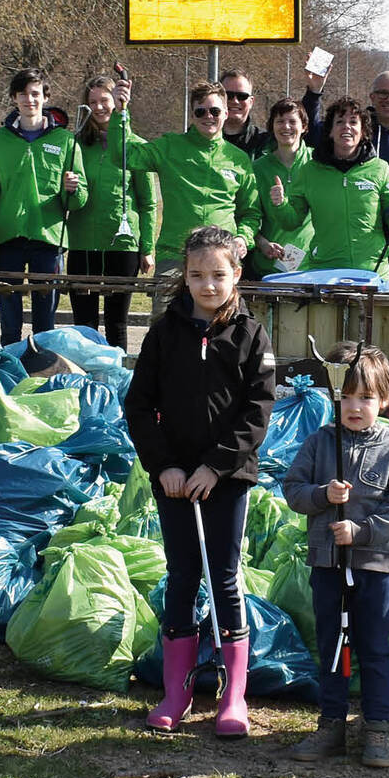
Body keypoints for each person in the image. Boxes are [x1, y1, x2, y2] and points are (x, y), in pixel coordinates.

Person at [125, 226, 276, 738]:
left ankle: (233, 694)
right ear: (183, 278)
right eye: (196, 275)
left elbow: (257, 411)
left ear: (236, 274)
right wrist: (164, 465)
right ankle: (178, 689)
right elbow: (140, 406)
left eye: (218, 274)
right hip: (174, 481)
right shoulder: (164, 334)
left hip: (225, 480)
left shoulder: (252, 335)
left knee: (225, 576)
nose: (208, 285)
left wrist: (217, 466)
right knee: (183, 575)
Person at [283, 344, 389, 768]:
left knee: (374, 648)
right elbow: (293, 489)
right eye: (347, 397)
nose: (355, 407)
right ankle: (332, 724)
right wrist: (323, 495)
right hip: (327, 567)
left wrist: (361, 532)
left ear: (384, 401)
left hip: (375, 569)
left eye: (366, 398)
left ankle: (377, 728)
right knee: (334, 645)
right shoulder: (320, 442)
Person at [302, 68, 389, 288]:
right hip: (359, 247)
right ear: (372, 97)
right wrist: (314, 92)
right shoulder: (355, 128)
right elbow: (312, 132)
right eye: (382, 93)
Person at [0, 67, 88, 342]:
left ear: (45, 97)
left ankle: (42, 377)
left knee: (44, 324)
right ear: (14, 98)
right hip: (7, 238)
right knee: (10, 323)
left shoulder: (65, 140)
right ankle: (10, 372)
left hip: (48, 239)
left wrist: (72, 190)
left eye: (36, 94)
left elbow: (79, 197)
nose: (30, 100)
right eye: (23, 94)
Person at [109, 76, 260, 275]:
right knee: (168, 307)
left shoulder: (239, 159)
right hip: (175, 256)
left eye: (214, 111)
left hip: (222, 258)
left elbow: (251, 212)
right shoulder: (170, 146)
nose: (208, 116)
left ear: (225, 113)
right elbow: (124, 155)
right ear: (192, 115)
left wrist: (243, 238)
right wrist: (120, 113)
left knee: (222, 308)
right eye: (200, 111)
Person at [70, 75, 156, 349]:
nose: (98, 107)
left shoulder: (137, 146)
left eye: (104, 100)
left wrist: (147, 248)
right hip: (83, 244)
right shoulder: (77, 145)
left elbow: (148, 203)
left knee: (116, 322)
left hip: (123, 246)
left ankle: (116, 381)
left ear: (116, 102)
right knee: (83, 324)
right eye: (92, 102)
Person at [272, 96, 389, 275]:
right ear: (330, 130)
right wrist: (280, 204)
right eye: (339, 121)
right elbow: (291, 222)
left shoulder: (380, 169)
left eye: (353, 122)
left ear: (363, 131)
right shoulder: (310, 171)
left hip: (373, 272)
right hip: (325, 271)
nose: (346, 127)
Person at [247, 97, 313, 280]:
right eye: (280, 121)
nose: (286, 127)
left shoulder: (317, 163)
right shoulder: (258, 168)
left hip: (312, 267)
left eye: (292, 121)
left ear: (304, 126)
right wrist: (262, 243)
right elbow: (246, 215)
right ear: (271, 127)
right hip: (269, 267)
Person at [219, 69, 276, 158]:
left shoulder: (266, 143)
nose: (235, 101)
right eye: (228, 95)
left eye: (242, 96)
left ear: (251, 102)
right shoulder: (200, 139)